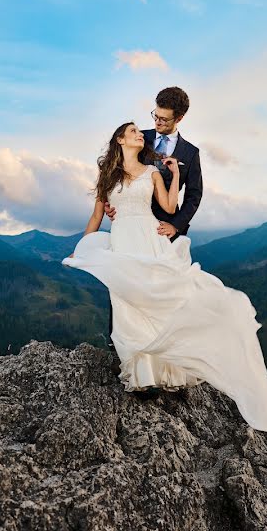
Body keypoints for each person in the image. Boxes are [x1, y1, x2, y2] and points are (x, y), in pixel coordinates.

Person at [62, 121, 267, 433]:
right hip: (123, 241)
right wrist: (81, 246)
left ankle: (165, 373)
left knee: (157, 301)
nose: (140, 134)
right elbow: (97, 215)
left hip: (149, 237)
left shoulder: (152, 172)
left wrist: (177, 175)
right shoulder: (107, 177)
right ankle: (142, 376)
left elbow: (169, 206)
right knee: (129, 302)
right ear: (119, 139)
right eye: (133, 132)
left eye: (140, 133)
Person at [103, 87, 202, 357]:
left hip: (165, 229)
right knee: (124, 284)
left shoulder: (190, 153)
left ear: (179, 119)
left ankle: (163, 353)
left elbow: (194, 195)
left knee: (161, 293)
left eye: (164, 119)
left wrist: (176, 224)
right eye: (155, 116)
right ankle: (119, 350)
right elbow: (114, 173)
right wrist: (114, 203)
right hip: (130, 227)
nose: (157, 123)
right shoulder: (138, 137)